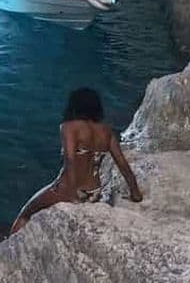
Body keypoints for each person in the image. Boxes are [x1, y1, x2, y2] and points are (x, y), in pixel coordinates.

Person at [10, 87, 143, 235]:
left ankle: (5, 252)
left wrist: (72, 195)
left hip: (69, 189)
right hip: (94, 192)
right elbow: (122, 164)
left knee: (25, 214)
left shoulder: (69, 127)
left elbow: (71, 160)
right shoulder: (106, 131)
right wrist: (135, 193)